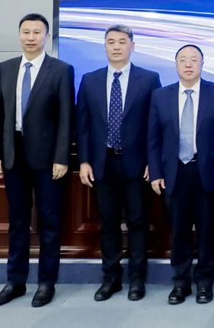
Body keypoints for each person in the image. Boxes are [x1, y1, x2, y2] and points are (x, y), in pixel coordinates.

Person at [0, 13, 74, 308]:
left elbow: (66, 118)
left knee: (49, 222)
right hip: (13, 155)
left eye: (37, 32)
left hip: (48, 160)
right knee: (18, 222)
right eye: (26, 31)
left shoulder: (61, 70)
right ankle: (15, 281)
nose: (31, 37)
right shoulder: (6, 68)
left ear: (46, 37)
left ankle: (46, 283)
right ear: (19, 35)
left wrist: (62, 157)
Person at [76, 25, 162, 301]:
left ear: (132, 46)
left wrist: (153, 161)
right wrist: (84, 161)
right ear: (104, 46)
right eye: (111, 42)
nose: (116, 46)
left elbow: (156, 123)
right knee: (108, 223)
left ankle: (137, 279)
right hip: (102, 163)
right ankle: (110, 278)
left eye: (122, 42)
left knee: (138, 222)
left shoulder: (149, 79)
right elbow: (83, 125)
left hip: (137, 164)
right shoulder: (90, 80)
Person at [147, 44, 214, 305]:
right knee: (178, 231)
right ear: (175, 64)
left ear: (202, 64)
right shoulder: (160, 96)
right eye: (183, 60)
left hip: (208, 172)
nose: (188, 64)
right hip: (174, 172)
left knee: (207, 231)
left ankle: (204, 283)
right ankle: (180, 283)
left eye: (194, 59)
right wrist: (156, 172)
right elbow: (153, 138)